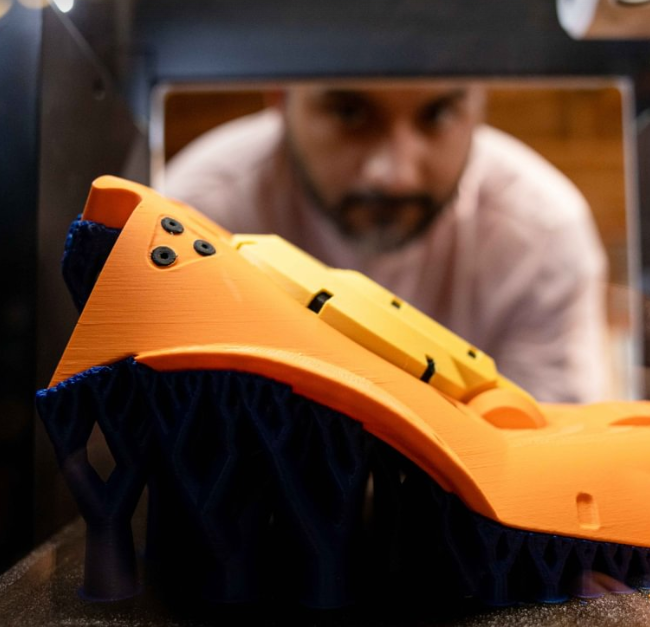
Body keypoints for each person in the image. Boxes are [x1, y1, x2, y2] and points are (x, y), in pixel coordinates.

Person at [159, 83, 610, 403]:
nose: (395, 174)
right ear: (279, 96)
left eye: (437, 114)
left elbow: (547, 448)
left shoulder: (541, 230)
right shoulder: (198, 211)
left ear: (480, 103)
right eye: (350, 113)